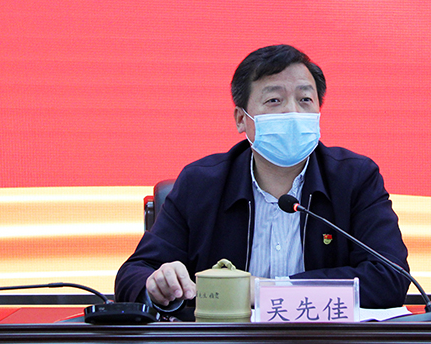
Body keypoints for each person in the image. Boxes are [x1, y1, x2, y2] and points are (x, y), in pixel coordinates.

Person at [115, 44, 410, 315]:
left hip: (325, 343)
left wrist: (265, 292)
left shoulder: (355, 179)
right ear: (241, 119)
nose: (292, 112)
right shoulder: (201, 184)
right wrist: (156, 285)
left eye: (305, 99)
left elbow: (390, 277)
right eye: (274, 100)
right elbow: (134, 274)